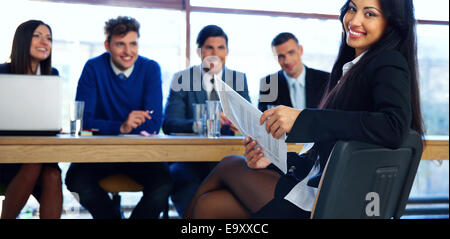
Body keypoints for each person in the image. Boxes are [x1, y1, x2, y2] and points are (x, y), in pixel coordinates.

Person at [184, 0, 424, 219]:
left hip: (329, 200)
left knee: (227, 165)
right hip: (314, 185)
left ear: (392, 24)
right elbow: (327, 152)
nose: (354, 19)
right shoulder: (351, 69)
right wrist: (272, 158)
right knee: (210, 205)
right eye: (352, 9)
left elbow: (393, 127)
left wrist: (302, 119)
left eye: (369, 13)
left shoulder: (388, 62)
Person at [65, 16, 172, 219]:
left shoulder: (150, 69)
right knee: (75, 181)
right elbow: (83, 121)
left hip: (140, 153)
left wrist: (104, 126)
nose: (128, 51)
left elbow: (154, 123)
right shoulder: (93, 68)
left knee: (164, 183)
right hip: (99, 153)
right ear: (108, 45)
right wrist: (121, 126)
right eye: (120, 44)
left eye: (133, 44)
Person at [162, 24, 250, 217]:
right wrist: (203, 122)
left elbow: (249, 124)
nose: (215, 53)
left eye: (221, 48)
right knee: (182, 181)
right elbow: (169, 123)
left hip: (227, 158)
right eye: (209, 48)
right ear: (199, 51)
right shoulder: (181, 79)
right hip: (188, 159)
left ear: (227, 51)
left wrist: (240, 125)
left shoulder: (239, 79)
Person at [0, 20, 62, 219]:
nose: (45, 42)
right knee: (34, 161)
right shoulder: (3, 73)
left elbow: (50, 121)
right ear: (23, 40)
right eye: (37, 36)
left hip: (42, 150)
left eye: (49, 38)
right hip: (7, 153)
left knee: (53, 175)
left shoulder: (52, 75)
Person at [258, 32, 329, 112]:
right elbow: (263, 118)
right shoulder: (269, 83)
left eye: (291, 53)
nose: (287, 61)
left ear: (300, 50)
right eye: (281, 56)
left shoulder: (326, 79)